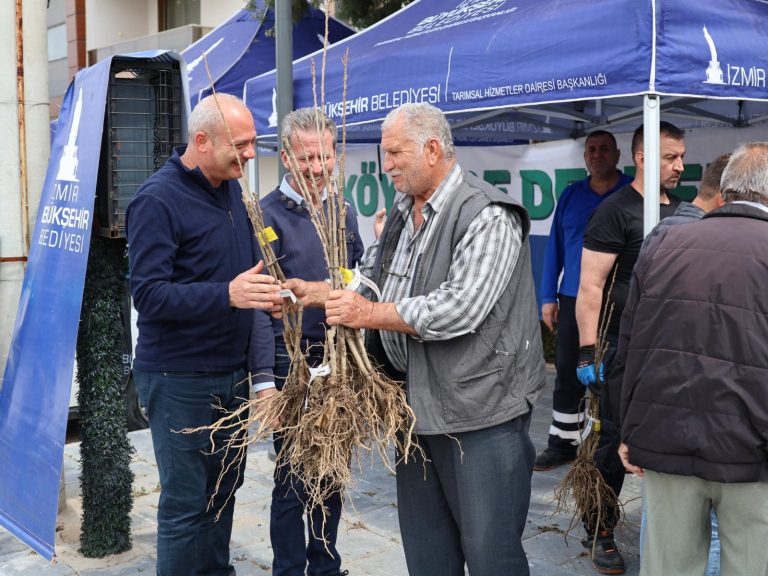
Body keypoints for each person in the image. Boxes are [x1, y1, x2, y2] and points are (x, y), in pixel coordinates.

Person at [286, 102, 546, 576]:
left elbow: (459, 307)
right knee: (428, 555)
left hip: (480, 415)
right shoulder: (405, 213)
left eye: (394, 153)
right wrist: (326, 293)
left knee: (492, 557)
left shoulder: (488, 214)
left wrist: (367, 314)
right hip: (415, 410)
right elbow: (373, 277)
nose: (385, 165)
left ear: (431, 149)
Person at [125, 93, 282, 576]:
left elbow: (235, 276)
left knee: (222, 497)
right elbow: (148, 295)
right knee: (187, 508)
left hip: (228, 374)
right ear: (201, 141)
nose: (252, 153)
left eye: (254, 141)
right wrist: (227, 295)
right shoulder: (156, 200)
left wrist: (263, 294)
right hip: (179, 380)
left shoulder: (232, 189)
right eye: (242, 144)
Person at [616, 142, 768, 576]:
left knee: (667, 568)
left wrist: (630, 429)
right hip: (752, 455)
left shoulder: (664, 242)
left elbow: (630, 345)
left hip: (667, 443)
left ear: (726, 191)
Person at [575, 121, 685, 574]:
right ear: (643, 158)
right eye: (671, 157)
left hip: (668, 349)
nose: (680, 165)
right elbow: (590, 286)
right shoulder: (615, 211)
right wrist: (588, 353)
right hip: (619, 346)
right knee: (613, 440)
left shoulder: (682, 211)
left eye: (682, 157)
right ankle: (599, 527)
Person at [260, 107, 362, 576]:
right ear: (285, 157)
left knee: (331, 469)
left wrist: (345, 284)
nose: (317, 168)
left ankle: (325, 564)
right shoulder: (266, 215)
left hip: (337, 357)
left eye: (324, 156)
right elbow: (266, 302)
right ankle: (288, 569)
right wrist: (269, 381)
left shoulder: (342, 210)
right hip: (293, 360)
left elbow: (357, 273)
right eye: (306, 159)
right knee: (292, 475)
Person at [631, 153, 730, 576]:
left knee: (667, 530)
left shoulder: (664, 234)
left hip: (667, 410)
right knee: (702, 530)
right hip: (705, 408)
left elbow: (634, 334)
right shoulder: (693, 237)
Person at [535, 130, 632, 471]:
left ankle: (611, 450)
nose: (597, 154)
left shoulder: (634, 192)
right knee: (568, 374)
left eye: (605, 149)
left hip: (619, 302)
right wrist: (548, 297)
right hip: (574, 298)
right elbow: (555, 249)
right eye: (591, 149)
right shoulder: (571, 195)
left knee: (617, 375)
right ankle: (563, 444)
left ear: (618, 154)